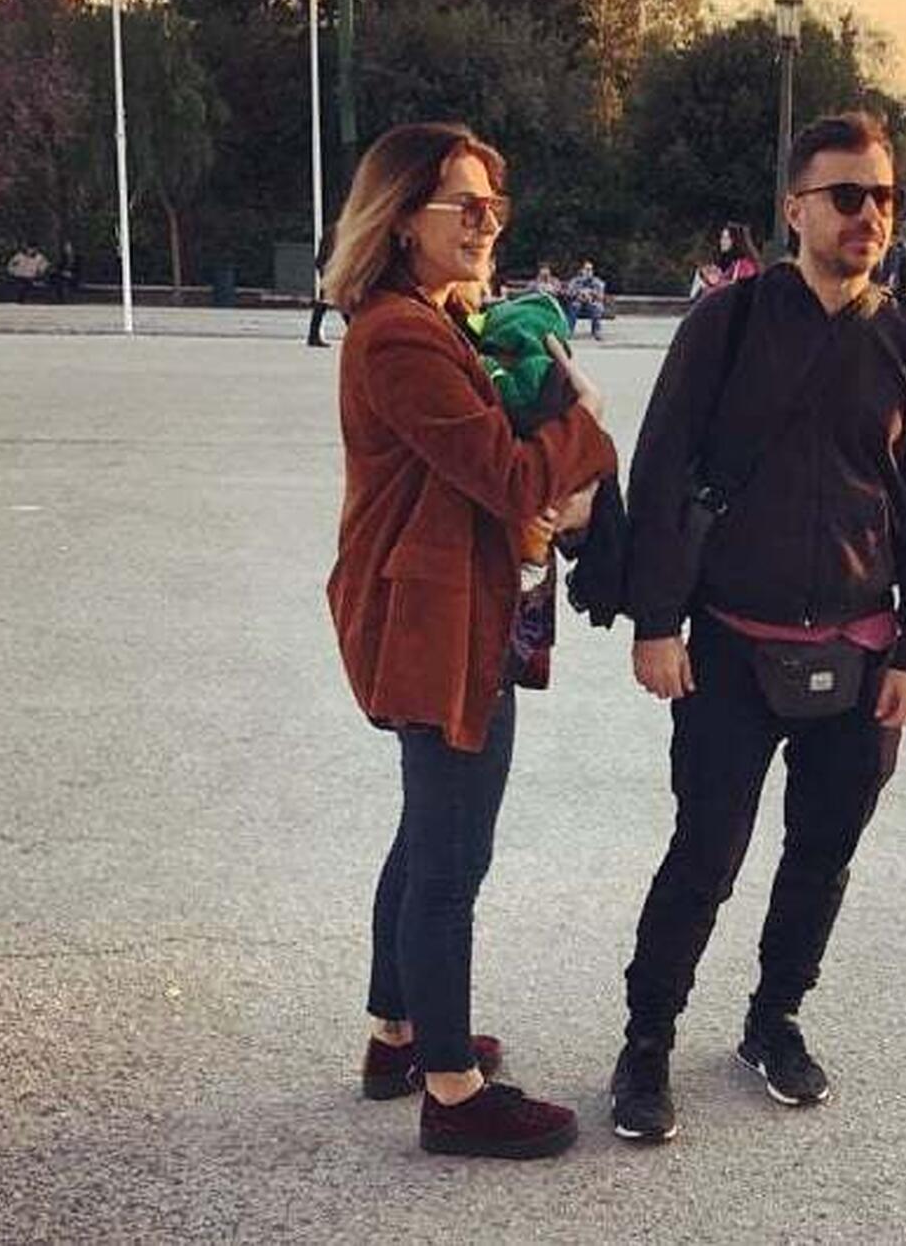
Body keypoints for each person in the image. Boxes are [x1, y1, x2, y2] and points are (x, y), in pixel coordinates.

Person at [612, 112, 906, 1143]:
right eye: (846, 195)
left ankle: (774, 1020)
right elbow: (661, 470)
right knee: (704, 855)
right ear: (794, 210)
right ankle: (646, 1040)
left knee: (821, 854)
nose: (869, 215)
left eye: (884, 197)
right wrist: (656, 623)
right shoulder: (725, 325)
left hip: (862, 652)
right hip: (729, 646)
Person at [322, 122, 617, 1160]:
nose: (489, 222)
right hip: (434, 621)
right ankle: (452, 1091)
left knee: (427, 832)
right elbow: (507, 473)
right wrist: (586, 421)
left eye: (496, 204)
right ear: (404, 218)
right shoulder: (397, 338)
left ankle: (398, 1035)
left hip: (459, 604)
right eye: (466, 204)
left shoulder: (440, 319)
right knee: (453, 855)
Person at [691, 223, 762, 300]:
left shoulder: (745, 266)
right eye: (722, 238)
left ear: (735, 241)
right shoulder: (725, 263)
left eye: (727, 238)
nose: (723, 242)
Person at [307, 226, 338, 347]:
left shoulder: (332, 232)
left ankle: (313, 335)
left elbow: (321, 258)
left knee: (325, 303)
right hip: (333, 271)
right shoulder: (336, 233)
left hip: (331, 270)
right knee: (328, 302)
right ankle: (313, 336)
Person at [564, 259, 606, 340]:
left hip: (591, 303)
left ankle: (596, 332)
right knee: (574, 306)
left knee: (597, 307)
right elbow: (569, 293)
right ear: (582, 270)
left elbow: (601, 296)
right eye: (587, 269)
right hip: (578, 302)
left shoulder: (597, 282)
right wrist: (579, 294)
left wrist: (590, 294)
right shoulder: (575, 281)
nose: (588, 272)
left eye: (590, 269)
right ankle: (569, 331)